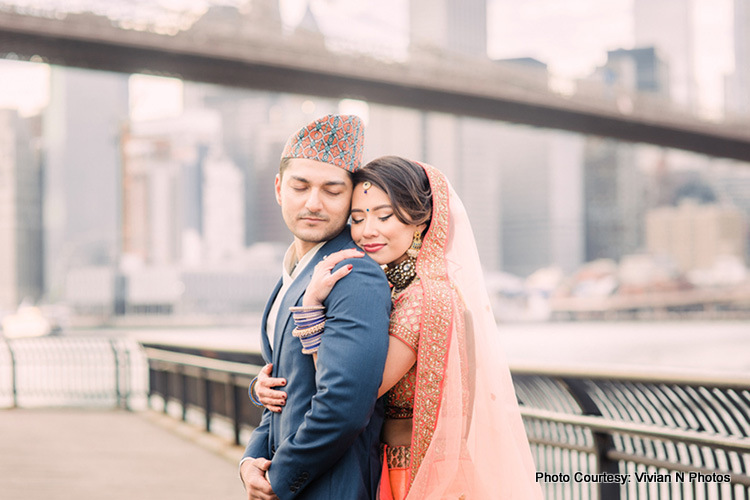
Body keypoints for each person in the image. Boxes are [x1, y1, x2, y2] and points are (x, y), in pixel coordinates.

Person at [254, 156, 544, 499]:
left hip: (412, 474)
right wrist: (261, 386)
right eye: (358, 218)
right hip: (391, 466)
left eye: (384, 215)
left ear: (420, 221)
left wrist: (311, 311)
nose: (366, 231)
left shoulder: (424, 299)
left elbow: (354, 389)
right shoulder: (400, 286)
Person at [240, 115, 392, 500]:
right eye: (300, 186)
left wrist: (281, 476)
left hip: (332, 488)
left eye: (332, 190)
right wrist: (251, 460)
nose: (313, 203)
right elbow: (281, 387)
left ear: (352, 196)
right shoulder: (292, 271)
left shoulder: (353, 272)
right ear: (278, 188)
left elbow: (344, 406)